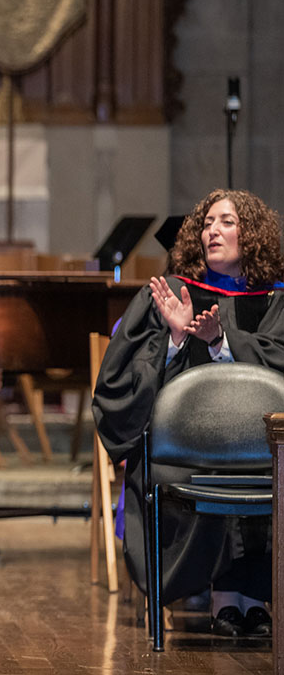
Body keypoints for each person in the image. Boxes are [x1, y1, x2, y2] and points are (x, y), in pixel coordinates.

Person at [94, 188, 284, 639]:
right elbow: (122, 379)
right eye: (206, 223)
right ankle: (225, 597)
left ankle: (253, 597)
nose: (212, 231)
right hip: (188, 455)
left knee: (259, 461)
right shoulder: (169, 294)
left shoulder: (276, 300)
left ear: (252, 235)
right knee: (209, 463)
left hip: (264, 452)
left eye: (227, 222)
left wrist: (223, 343)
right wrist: (175, 341)